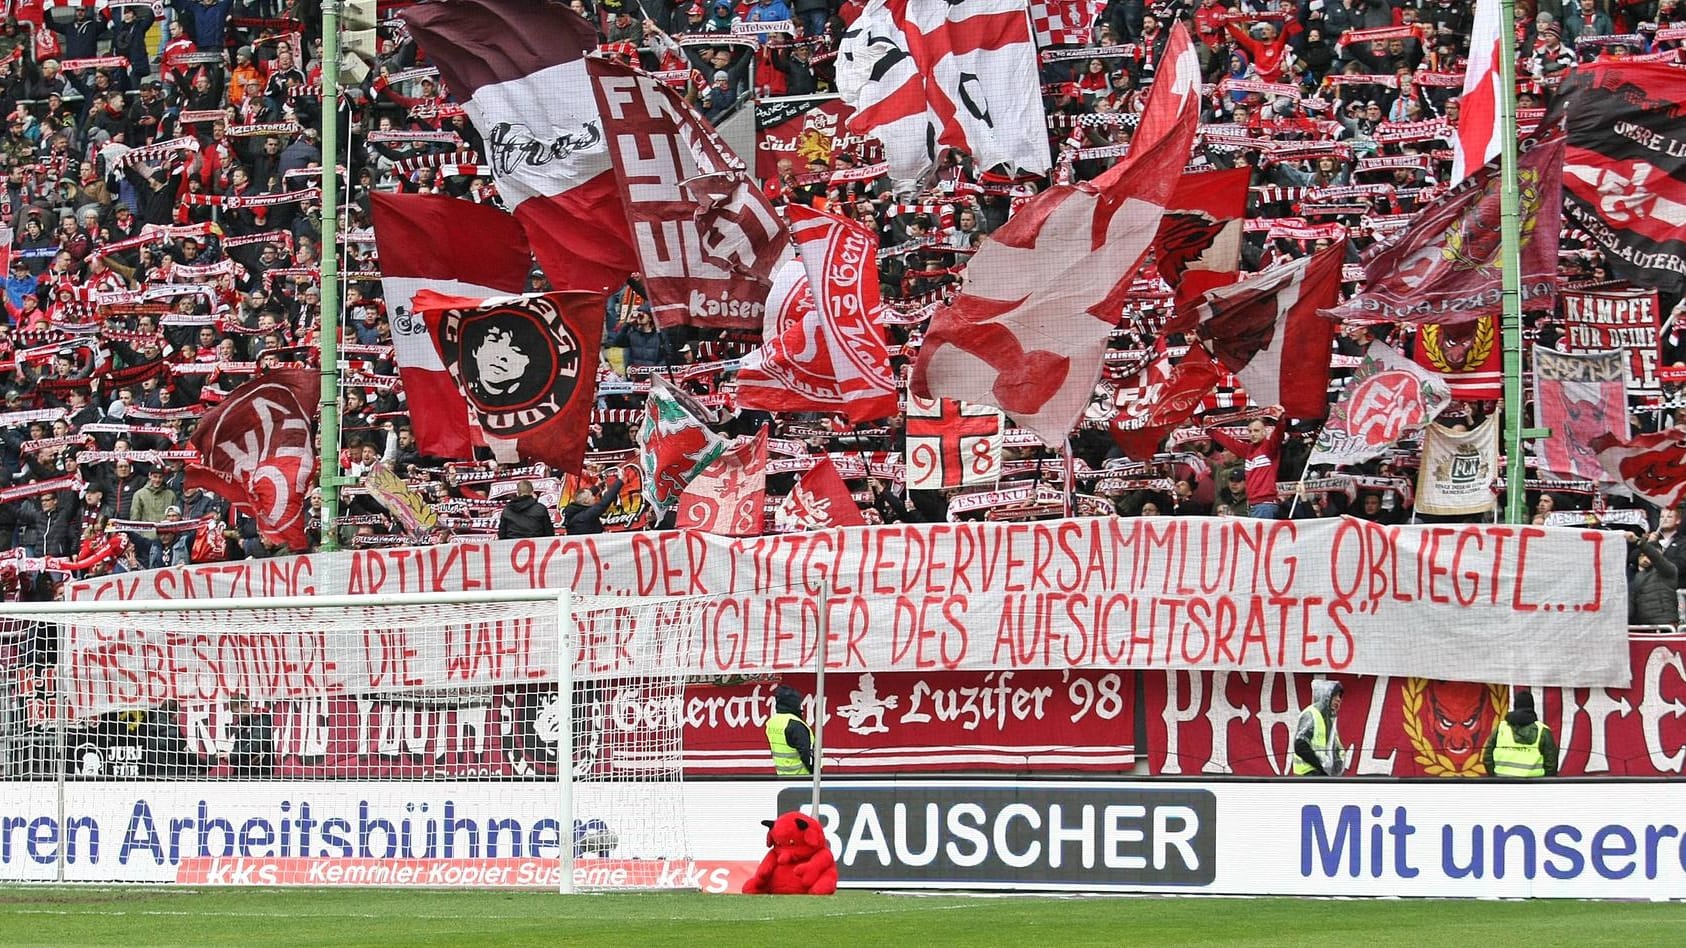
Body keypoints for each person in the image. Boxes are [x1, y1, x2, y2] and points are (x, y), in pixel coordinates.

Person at [1481, 690, 1558, 778]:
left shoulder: (1501, 728)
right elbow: (1551, 764)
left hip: (1503, 784)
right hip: (1534, 786)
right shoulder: (1543, 730)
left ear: (1515, 706)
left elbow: (1487, 757)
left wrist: (1495, 777)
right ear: (1532, 707)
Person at [1291, 680, 1345, 776]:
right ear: (1325, 696)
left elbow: (1336, 749)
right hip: (1308, 775)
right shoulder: (1311, 714)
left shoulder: (1329, 721)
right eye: (1335, 695)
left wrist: (1336, 768)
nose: (1338, 699)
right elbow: (1300, 745)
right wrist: (1321, 766)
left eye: (1340, 696)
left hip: (1320, 774)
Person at [1628, 529, 1680, 626]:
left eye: (1648, 555)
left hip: (1666, 625)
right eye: (1642, 555)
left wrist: (1639, 542)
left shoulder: (1668, 570)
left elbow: (1656, 557)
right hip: (1644, 627)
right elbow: (1631, 604)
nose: (1646, 558)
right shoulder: (1638, 577)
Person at [765, 684, 814, 776]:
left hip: (782, 776)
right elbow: (807, 755)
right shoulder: (795, 724)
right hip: (802, 778)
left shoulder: (771, 722)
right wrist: (816, 774)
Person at [223, 694, 274, 777]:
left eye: (237, 713)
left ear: (246, 706)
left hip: (259, 774)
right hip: (245, 773)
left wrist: (232, 756)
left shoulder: (261, 720)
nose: (236, 716)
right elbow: (240, 747)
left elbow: (256, 746)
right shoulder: (244, 724)